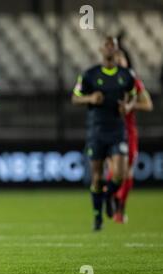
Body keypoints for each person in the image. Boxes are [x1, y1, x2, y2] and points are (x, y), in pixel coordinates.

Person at [72, 36, 136, 231]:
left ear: (116, 50)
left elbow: (133, 96)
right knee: (97, 177)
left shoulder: (126, 75)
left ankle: (108, 196)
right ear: (101, 49)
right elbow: (75, 98)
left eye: (113, 46)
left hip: (117, 130)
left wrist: (128, 106)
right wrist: (90, 97)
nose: (110, 48)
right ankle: (97, 217)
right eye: (107, 45)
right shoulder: (90, 75)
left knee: (120, 174)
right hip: (97, 131)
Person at [106, 50, 153, 224]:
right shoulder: (104, 82)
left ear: (126, 62)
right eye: (115, 59)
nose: (119, 62)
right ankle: (111, 199)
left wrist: (130, 106)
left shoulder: (133, 82)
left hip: (128, 132)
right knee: (115, 170)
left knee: (127, 171)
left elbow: (148, 104)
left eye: (121, 59)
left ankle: (119, 208)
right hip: (109, 131)